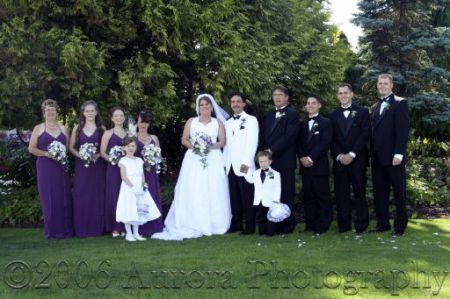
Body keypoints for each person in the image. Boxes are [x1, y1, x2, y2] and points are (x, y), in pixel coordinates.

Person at [152, 94, 231, 240]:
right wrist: (196, 147)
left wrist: (208, 146)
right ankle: (191, 220)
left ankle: (215, 222)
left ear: (212, 107)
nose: (204, 107)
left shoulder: (218, 123)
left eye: (207, 105)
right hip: (194, 158)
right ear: (198, 107)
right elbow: (184, 139)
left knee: (213, 187)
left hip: (213, 158)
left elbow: (222, 141)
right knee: (193, 187)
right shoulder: (191, 121)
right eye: (202, 105)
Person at [371, 73, 409, 236]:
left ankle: (400, 226)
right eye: (380, 84)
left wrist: (399, 154)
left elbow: (402, 130)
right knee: (380, 193)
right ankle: (382, 223)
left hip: (394, 157)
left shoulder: (400, 103)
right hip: (377, 157)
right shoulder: (374, 106)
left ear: (391, 85)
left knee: (399, 192)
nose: (382, 86)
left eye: (385, 83)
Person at [28, 99, 73, 239]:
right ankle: (51, 231)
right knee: (48, 198)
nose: (50, 112)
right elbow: (31, 148)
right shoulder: (39, 128)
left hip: (60, 166)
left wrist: (59, 153)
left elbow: (66, 149)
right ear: (44, 113)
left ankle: (65, 231)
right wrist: (47, 153)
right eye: (47, 110)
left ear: (56, 112)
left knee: (62, 197)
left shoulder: (64, 129)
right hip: (45, 167)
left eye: (52, 110)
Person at [329, 84, 370, 234]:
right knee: (341, 194)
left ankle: (361, 225)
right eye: (340, 93)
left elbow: (365, 135)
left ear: (352, 94)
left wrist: (352, 154)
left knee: (359, 192)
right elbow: (331, 139)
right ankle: (344, 225)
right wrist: (340, 155)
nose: (343, 95)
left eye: (346, 93)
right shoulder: (332, 115)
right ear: (337, 96)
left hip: (357, 160)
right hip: (340, 161)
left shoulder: (363, 112)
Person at [262, 86, 300, 234]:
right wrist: (265, 155)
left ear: (287, 98)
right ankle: (274, 225)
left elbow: (289, 137)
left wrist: (272, 151)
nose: (277, 97)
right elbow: (265, 135)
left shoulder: (293, 114)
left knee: (286, 194)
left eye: (280, 95)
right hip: (270, 162)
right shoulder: (270, 115)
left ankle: (288, 225)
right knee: (272, 194)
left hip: (285, 161)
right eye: (275, 95)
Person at [222, 92, 259, 234]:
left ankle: (249, 227)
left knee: (247, 197)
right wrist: (225, 163)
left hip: (244, 165)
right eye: (233, 102)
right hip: (230, 165)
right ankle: (236, 224)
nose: (235, 104)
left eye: (238, 101)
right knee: (234, 197)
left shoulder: (251, 120)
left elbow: (252, 142)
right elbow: (227, 145)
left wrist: (246, 162)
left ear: (244, 103)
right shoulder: (228, 122)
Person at [69, 100, 106, 237]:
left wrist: (96, 156)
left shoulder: (102, 128)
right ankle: (81, 228)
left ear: (96, 112)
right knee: (82, 194)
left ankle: (98, 227)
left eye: (92, 111)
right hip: (82, 167)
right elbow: (71, 147)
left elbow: (105, 148)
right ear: (83, 113)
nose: (90, 113)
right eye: (87, 111)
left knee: (97, 194)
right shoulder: (77, 128)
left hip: (97, 166)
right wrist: (81, 155)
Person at [297, 96, 333, 235]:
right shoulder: (302, 124)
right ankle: (310, 225)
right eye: (308, 103)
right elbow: (298, 143)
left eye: (313, 103)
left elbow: (325, 143)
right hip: (305, 167)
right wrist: (301, 157)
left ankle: (323, 224)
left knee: (322, 196)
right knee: (308, 197)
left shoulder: (326, 123)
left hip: (319, 166)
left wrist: (311, 158)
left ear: (319, 105)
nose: (310, 105)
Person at [116, 136, 161, 242]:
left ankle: (136, 233)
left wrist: (143, 185)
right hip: (129, 187)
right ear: (124, 148)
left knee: (138, 209)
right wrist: (133, 187)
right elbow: (124, 177)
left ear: (136, 148)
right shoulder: (123, 160)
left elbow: (142, 175)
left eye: (133, 146)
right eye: (128, 146)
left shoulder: (139, 160)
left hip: (139, 188)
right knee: (129, 208)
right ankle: (129, 233)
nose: (130, 148)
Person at [135, 110, 164, 236]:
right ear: (137, 122)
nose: (143, 124)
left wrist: (152, 160)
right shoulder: (132, 137)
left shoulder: (154, 138)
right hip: (138, 174)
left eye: (146, 122)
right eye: (141, 121)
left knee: (153, 196)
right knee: (140, 199)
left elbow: (159, 155)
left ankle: (155, 225)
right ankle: (141, 227)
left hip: (151, 173)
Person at [100, 107, 128, 237]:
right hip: (113, 169)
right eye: (116, 116)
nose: (119, 118)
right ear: (112, 118)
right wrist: (114, 160)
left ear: (124, 117)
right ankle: (115, 227)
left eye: (121, 115)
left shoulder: (129, 133)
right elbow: (102, 152)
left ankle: (124, 226)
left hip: (127, 169)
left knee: (126, 197)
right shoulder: (108, 133)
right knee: (114, 196)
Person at [244, 151, 281, 236]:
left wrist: (276, 200)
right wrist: (245, 173)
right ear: (258, 162)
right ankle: (262, 231)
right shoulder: (256, 173)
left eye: (265, 161)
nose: (263, 163)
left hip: (270, 200)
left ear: (270, 162)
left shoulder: (274, 174)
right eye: (261, 162)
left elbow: (277, 187)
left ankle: (270, 232)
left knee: (270, 217)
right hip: (259, 200)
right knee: (261, 216)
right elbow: (251, 180)